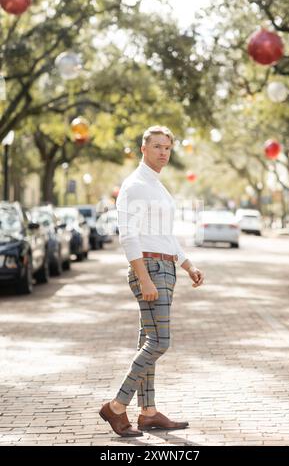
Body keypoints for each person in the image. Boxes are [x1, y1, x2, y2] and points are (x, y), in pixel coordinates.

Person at [99, 125, 204, 437]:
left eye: (167, 148)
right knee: (160, 342)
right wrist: (143, 277)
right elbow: (128, 235)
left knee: (149, 340)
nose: (163, 152)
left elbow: (165, 236)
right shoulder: (134, 185)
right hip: (151, 270)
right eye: (157, 146)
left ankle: (147, 412)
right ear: (143, 149)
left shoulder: (157, 186)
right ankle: (116, 407)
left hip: (165, 268)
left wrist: (187, 265)